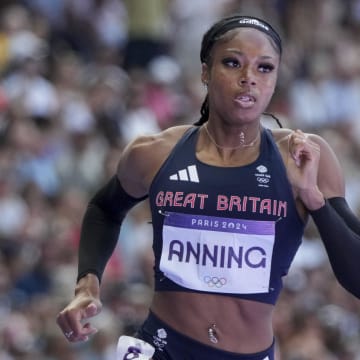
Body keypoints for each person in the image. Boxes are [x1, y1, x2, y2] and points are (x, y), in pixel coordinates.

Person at [56, 14, 360, 360]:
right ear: (205, 71)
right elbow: (104, 209)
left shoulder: (303, 158)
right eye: (233, 63)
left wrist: (313, 200)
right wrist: (87, 284)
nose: (249, 79)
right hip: (161, 347)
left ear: (276, 79)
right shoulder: (155, 153)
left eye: (264, 68)